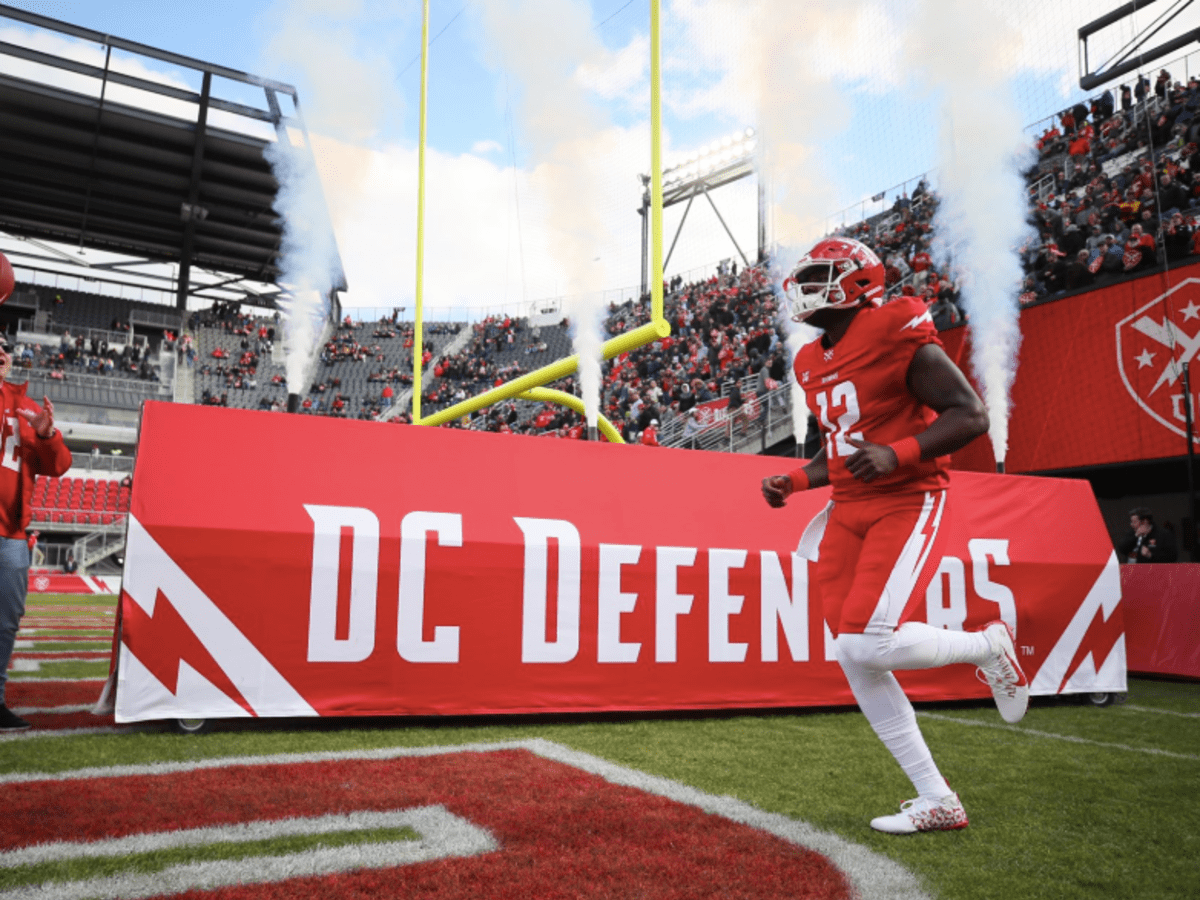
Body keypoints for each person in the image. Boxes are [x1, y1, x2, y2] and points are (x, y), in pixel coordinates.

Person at [761, 237, 1028, 835]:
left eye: (822, 275)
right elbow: (847, 453)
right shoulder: (810, 361)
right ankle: (938, 798)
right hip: (848, 509)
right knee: (854, 655)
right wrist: (796, 480)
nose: (806, 286)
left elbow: (969, 414)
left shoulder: (894, 325)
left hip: (909, 499)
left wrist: (900, 452)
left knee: (869, 644)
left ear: (858, 282)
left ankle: (988, 645)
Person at [0, 340, 73, 732]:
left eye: (4, 348)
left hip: (10, 535)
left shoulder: (26, 408)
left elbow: (59, 466)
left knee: (5, 622)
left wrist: (47, 435)